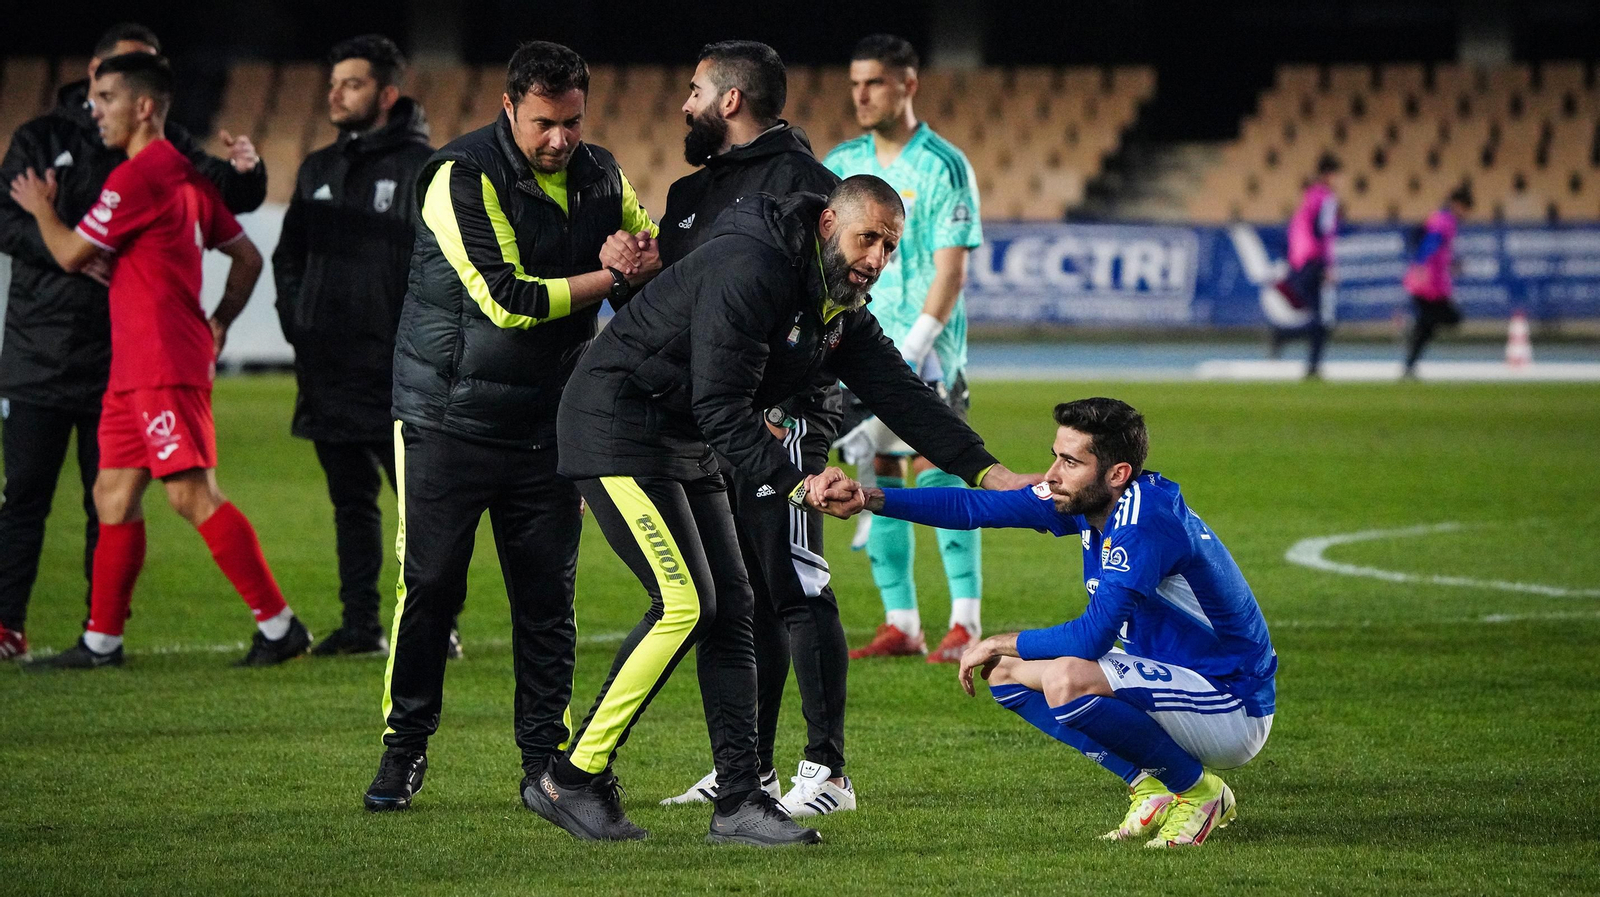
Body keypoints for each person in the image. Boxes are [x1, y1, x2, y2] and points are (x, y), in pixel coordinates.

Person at [536, 175, 1034, 845]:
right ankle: (571, 776)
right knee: (686, 601)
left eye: (890, 246)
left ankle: (739, 800)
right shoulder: (755, 266)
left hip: (685, 436)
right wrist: (801, 482)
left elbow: (899, 392)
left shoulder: (836, 302)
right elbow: (720, 405)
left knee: (734, 605)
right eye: (868, 239)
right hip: (616, 425)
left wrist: (988, 470)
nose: (878, 259)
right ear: (829, 224)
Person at [364, 40, 661, 813]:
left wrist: (640, 264)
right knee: (428, 586)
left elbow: (648, 257)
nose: (559, 138)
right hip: (443, 419)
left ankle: (543, 764)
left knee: (546, 601)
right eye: (542, 123)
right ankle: (404, 747)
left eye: (571, 121)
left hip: (548, 426)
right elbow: (508, 298)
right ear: (508, 108)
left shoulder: (604, 174)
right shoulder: (458, 177)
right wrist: (615, 273)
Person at [844, 397, 1278, 848]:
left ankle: (1199, 793)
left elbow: (1092, 638)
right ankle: (1151, 786)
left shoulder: (1144, 524)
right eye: (1056, 455)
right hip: (1180, 685)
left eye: (1070, 461)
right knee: (1008, 674)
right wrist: (870, 498)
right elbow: (979, 509)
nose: (1051, 474)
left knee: (1067, 678)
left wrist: (1000, 640)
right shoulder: (1098, 501)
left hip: (1232, 702)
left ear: (1117, 474)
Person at [9, 53, 305, 669]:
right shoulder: (182, 174)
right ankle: (101, 642)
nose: (95, 111)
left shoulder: (138, 178)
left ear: (144, 107)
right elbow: (247, 255)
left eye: (107, 99)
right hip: (136, 365)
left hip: (161, 362)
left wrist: (40, 205)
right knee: (112, 493)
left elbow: (67, 254)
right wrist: (219, 320)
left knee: (191, 494)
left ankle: (279, 626)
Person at [652, 40, 857, 819]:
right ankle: (751, 769)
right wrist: (632, 275)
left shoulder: (808, 187)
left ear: (730, 100)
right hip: (720, 422)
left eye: (695, 88)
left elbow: (841, 307)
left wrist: (803, 406)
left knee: (796, 585)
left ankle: (827, 767)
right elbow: (674, 315)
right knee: (743, 599)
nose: (685, 103)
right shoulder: (686, 194)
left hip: (787, 416)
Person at [823, 34, 986, 664]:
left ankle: (965, 622)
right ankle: (903, 623)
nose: (861, 95)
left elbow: (950, 270)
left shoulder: (943, 165)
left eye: (875, 83)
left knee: (939, 468)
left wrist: (916, 346)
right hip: (856, 347)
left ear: (908, 85)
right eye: (855, 83)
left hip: (927, 350)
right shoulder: (842, 161)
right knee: (878, 476)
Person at [272, 35, 437, 657]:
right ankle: (361, 626)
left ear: (387, 94)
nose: (336, 92)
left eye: (353, 83)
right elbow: (289, 257)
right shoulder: (317, 168)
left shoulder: (426, 168)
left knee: (423, 514)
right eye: (334, 81)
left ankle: (434, 626)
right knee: (350, 504)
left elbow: (439, 270)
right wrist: (298, 321)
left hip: (397, 374)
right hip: (327, 371)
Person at [1275, 153, 1342, 379]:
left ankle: (1310, 363)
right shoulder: (1327, 198)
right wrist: (1329, 265)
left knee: (1318, 318)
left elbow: (1295, 232)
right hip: (1314, 261)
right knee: (1320, 319)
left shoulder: (1308, 197)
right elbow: (1324, 234)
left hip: (1300, 261)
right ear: (1329, 174)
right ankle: (1286, 338)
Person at [1401, 185, 1471, 377]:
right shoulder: (1444, 221)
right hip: (1428, 284)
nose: (1465, 213)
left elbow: (1437, 248)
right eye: (1465, 208)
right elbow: (1430, 243)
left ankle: (1410, 361)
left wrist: (1452, 264)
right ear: (1457, 205)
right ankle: (1413, 332)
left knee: (1428, 326)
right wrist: (1421, 266)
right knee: (1449, 318)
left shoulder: (1440, 218)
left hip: (1432, 282)